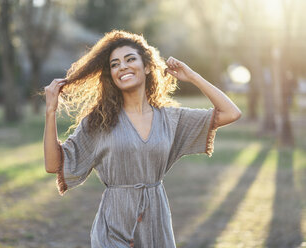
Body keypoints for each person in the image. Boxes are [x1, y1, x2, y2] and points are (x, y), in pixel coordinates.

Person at [43, 30, 241, 248]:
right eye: (115, 64)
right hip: (113, 229)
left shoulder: (171, 119)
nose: (123, 67)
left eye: (130, 59)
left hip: (156, 225)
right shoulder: (99, 122)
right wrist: (50, 112)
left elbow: (230, 113)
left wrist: (193, 76)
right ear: (111, 75)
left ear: (147, 66)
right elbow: (54, 165)